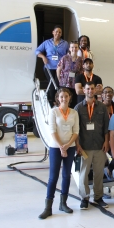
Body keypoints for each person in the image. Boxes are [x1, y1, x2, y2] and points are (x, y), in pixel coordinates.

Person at [38, 88, 79, 219]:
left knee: (67, 175)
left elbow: (76, 131)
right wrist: (61, 147)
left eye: (66, 96)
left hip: (70, 146)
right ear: (58, 98)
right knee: (53, 177)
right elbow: (52, 130)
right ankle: (48, 207)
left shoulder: (74, 113)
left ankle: (63, 203)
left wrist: (67, 145)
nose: (64, 99)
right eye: (61, 97)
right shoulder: (54, 111)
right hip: (56, 147)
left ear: (69, 97)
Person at [75, 82, 110, 209]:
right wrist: (77, 145)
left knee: (98, 173)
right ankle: (84, 198)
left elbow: (106, 127)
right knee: (83, 174)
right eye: (88, 88)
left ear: (95, 90)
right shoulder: (78, 108)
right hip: (84, 146)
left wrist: (106, 142)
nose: (90, 91)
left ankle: (98, 197)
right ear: (84, 90)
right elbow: (76, 129)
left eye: (92, 88)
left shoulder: (102, 107)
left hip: (99, 146)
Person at [35, 25, 69, 107]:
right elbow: (37, 51)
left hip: (60, 68)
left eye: (60, 32)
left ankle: (57, 101)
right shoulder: (47, 43)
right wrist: (43, 57)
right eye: (56, 31)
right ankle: (50, 102)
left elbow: (69, 54)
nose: (58, 33)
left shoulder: (65, 43)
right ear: (53, 32)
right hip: (49, 67)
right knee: (51, 84)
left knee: (58, 84)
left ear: (61, 34)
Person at [56, 41, 84, 108]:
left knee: (74, 101)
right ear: (69, 48)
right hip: (65, 83)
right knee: (64, 100)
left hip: (75, 83)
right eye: (72, 47)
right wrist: (59, 79)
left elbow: (82, 72)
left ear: (78, 49)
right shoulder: (64, 58)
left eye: (76, 47)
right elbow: (59, 69)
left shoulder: (81, 60)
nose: (74, 49)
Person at [101, 86, 114, 180]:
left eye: (110, 92)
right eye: (106, 92)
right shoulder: (98, 107)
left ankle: (109, 169)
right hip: (101, 139)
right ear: (102, 95)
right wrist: (105, 141)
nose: (108, 94)